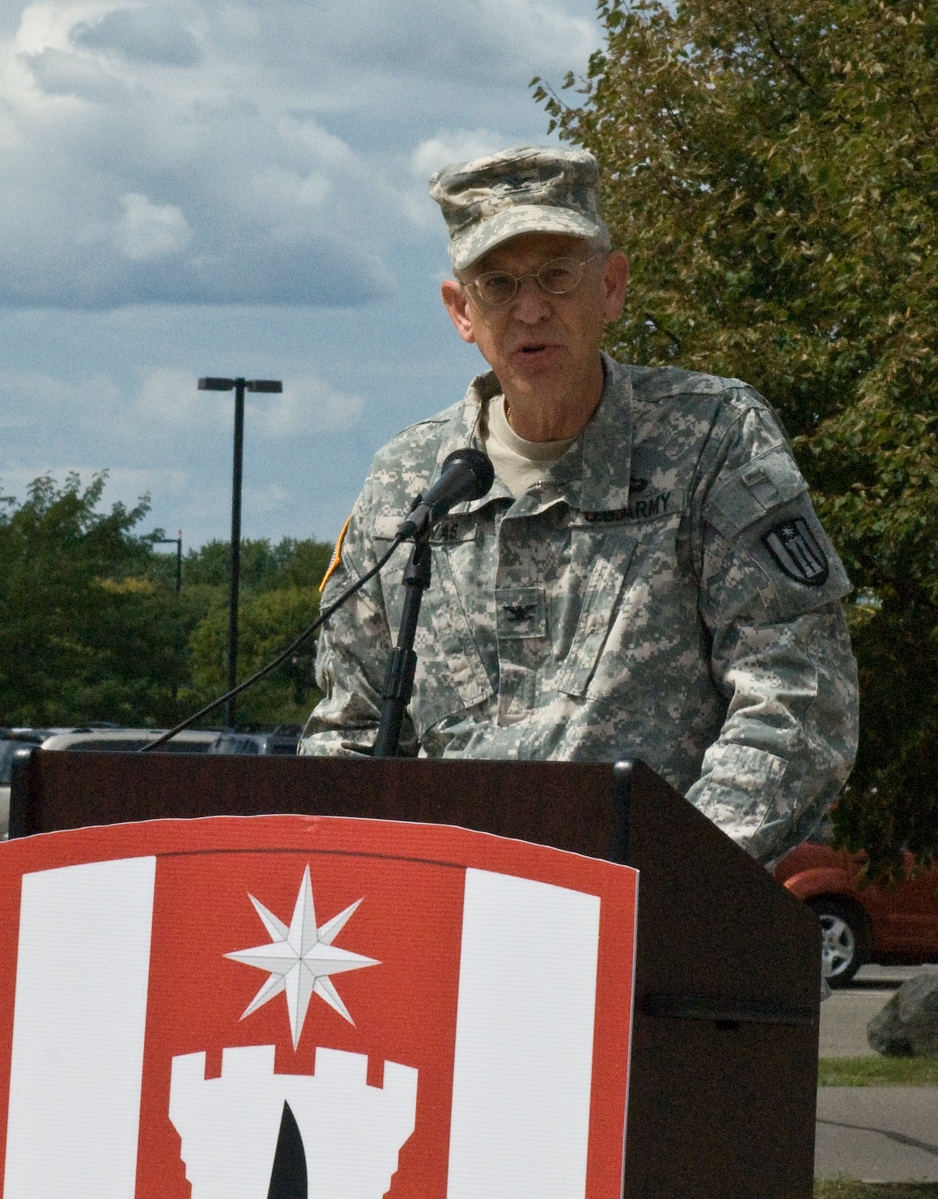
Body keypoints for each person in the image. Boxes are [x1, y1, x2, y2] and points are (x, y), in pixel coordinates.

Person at [300, 145, 858, 865]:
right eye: (497, 284)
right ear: (461, 311)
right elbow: (349, 732)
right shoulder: (410, 481)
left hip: (653, 930)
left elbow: (796, 697)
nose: (530, 309)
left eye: (558, 277)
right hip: (451, 929)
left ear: (613, 288)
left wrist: (667, 882)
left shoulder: (713, 438)